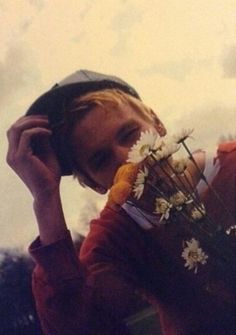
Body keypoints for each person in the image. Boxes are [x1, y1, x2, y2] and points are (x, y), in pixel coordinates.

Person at [6, 70, 235, 335]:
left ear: (156, 122)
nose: (128, 157)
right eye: (101, 159)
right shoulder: (115, 237)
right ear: (94, 184)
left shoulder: (231, 165)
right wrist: (46, 199)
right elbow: (77, 326)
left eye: (129, 134)